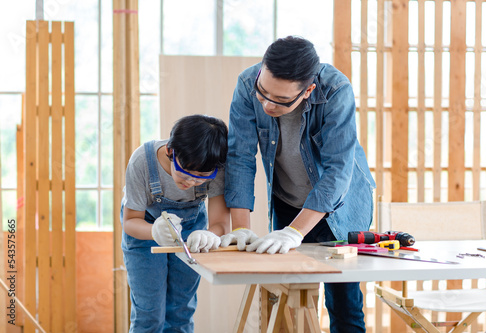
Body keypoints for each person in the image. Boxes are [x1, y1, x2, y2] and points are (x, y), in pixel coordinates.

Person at [221, 36, 376, 332]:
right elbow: (239, 157)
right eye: (263, 92)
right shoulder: (246, 84)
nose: (266, 104)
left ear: (308, 91)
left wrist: (295, 232)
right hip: (287, 199)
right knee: (289, 298)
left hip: (341, 206)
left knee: (343, 302)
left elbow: (337, 172)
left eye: (279, 101)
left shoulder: (336, 90)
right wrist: (241, 228)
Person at [121, 114, 230, 332]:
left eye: (201, 176)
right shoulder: (142, 161)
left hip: (191, 229)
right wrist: (155, 231)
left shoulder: (215, 165)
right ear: (172, 151)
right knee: (149, 313)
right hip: (145, 229)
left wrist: (209, 235)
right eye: (184, 172)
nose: (191, 181)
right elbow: (131, 221)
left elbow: (220, 224)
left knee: (180, 311)